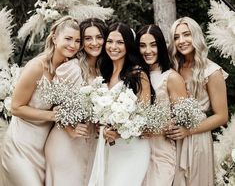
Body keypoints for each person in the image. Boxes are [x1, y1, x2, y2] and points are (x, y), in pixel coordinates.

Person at [0, 16, 81, 186]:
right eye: (68, 38)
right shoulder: (36, 66)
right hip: (20, 145)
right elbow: (15, 107)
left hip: (42, 149)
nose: (73, 45)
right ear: (54, 38)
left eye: (77, 40)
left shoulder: (67, 69)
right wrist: (54, 115)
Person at [45, 18, 107, 186]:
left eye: (99, 37)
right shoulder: (72, 68)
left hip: (90, 143)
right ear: (82, 43)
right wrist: (70, 129)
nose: (94, 43)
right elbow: (54, 103)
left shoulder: (105, 70)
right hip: (66, 143)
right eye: (88, 38)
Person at [167, 16, 228, 186]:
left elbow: (222, 116)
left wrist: (189, 131)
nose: (181, 41)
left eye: (186, 34)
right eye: (176, 37)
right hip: (173, 137)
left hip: (197, 138)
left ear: (196, 36)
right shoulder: (173, 67)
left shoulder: (212, 71)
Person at [100, 22, 152, 186]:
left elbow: (145, 118)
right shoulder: (105, 74)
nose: (113, 46)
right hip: (110, 149)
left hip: (132, 149)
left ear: (128, 46)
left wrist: (120, 132)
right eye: (110, 41)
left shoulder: (138, 74)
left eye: (120, 42)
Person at [135, 24, 187, 186]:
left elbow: (182, 118)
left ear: (161, 47)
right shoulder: (134, 75)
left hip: (161, 152)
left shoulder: (171, 77)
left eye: (153, 45)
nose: (148, 51)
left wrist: (158, 127)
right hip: (135, 150)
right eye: (142, 46)